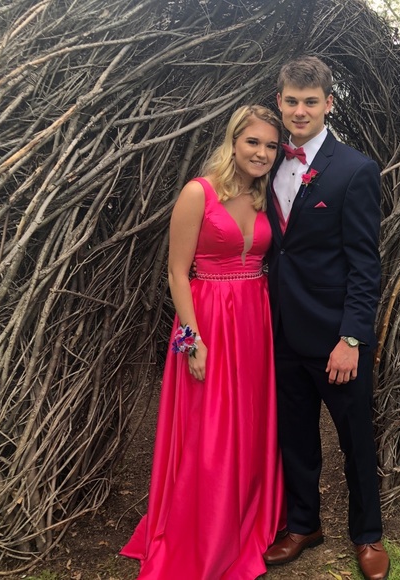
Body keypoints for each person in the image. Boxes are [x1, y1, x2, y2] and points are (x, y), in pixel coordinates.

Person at [120, 105, 285, 579]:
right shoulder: (199, 192)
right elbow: (177, 273)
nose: (262, 153)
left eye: (271, 146)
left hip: (253, 319)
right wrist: (191, 342)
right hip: (205, 320)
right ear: (233, 141)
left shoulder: (264, 195)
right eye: (253, 142)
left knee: (249, 421)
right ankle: (203, 529)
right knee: (206, 428)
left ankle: (245, 516)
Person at [263, 56, 390, 580]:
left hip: (336, 335)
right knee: (294, 436)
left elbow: (365, 263)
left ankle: (367, 535)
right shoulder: (267, 161)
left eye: (310, 102)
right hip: (281, 331)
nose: (300, 111)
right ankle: (303, 525)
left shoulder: (355, 170)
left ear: (329, 104)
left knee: (355, 438)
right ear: (279, 102)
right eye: (292, 101)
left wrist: (352, 338)